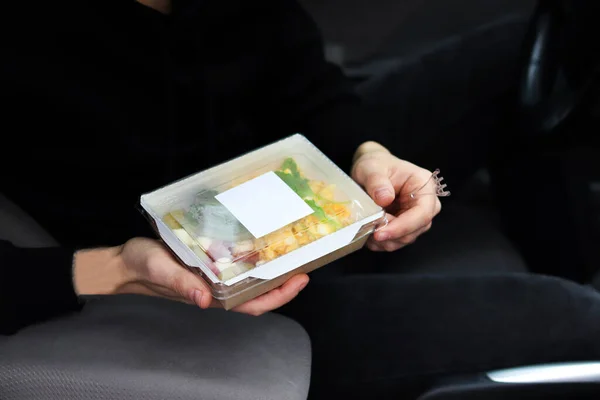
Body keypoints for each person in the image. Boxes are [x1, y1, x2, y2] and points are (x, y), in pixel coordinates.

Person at [2, 1, 600, 399]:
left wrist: (367, 153)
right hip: (184, 287)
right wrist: (112, 268)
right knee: (575, 317)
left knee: (540, 44)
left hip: (305, 181)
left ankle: (561, 250)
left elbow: (304, 86)